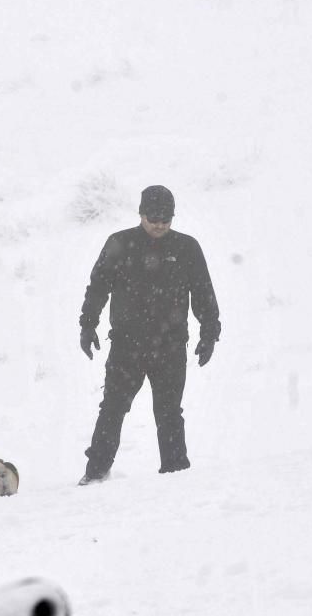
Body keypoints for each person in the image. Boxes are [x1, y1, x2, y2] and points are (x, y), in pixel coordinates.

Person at [78, 185, 220, 485]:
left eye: (166, 218)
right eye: (153, 217)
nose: (159, 224)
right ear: (141, 213)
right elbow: (98, 286)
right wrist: (88, 324)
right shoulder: (119, 243)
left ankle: (176, 474)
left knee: (169, 413)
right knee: (113, 409)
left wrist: (209, 332)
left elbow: (203, 293)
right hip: (126, 346)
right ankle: (95, 474)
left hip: (170, 347)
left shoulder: (186, 248)